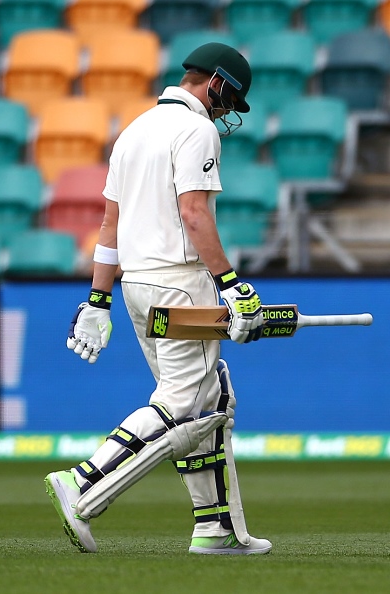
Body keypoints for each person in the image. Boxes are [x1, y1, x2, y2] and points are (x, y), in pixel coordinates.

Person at [45, 43, 274, 556]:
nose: (224, 113)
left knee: (210, 398)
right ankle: (83, 483)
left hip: (138, 285)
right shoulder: (196, 130)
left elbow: (110, 225)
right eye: (227, 100)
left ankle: (217, 528)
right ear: (214, 82)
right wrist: (233, 284)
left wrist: (97, 300)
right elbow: (194, 213)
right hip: (180, 281)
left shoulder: (133, 131)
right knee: (182, 401)